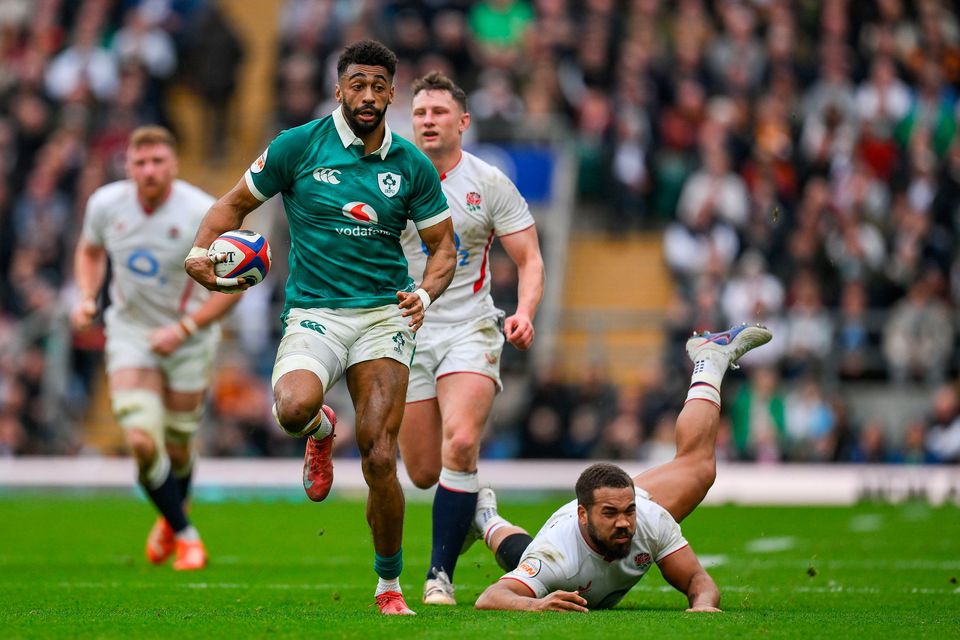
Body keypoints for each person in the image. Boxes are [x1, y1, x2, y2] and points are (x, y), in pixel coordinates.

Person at [183, 40, 456, 615]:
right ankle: (317, 430)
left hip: (385, 313)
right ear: (339, 89)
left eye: (380, 85)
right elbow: (233, 205)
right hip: (315, 312)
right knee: (289, 408)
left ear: (392, 93)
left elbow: (442, 250)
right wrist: (200, 253)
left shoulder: (411, 165)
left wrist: (425, 294)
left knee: (380, 455)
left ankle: (387, 586)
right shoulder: (298, 145)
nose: (368, 95)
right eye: (358, 83)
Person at [471, 324, 773, 612]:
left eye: (628, 511)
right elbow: (491, 596)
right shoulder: (556, 556)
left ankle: (709, 360)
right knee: (528, 563)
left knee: (700, 469)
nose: (624, 523)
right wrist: (535, 604)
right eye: (610, 514)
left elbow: (699, 581)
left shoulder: (649, 518)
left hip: (576, 540)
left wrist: (704, 605)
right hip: (560, 548)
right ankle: (486, 518)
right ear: (583, 514)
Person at [397, 71, 545, 606]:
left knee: (460, 443)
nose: (428, 121)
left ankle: (439, 578)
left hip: (470, 325)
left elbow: (528, 258)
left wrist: (524, 311)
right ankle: (479, 509)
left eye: (439, 112)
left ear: (463, 122)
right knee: (421, 472)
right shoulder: (388, 177)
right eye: (420, 113)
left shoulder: (489, 181)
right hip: (407, 332)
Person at [71, 125, 242, 571]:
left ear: (174, 165)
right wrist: (88, 296)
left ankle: (170, 519)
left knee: (180, 445)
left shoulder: (200, 212)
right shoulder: (106, 204)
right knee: (143, 442)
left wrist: (183, 329)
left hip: (187, 336)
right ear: (127, 166)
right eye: (140, 162)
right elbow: (89, 251)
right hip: (131, 332)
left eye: (157, 162)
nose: (148, 170)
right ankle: (186, 534)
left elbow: (233, 288)